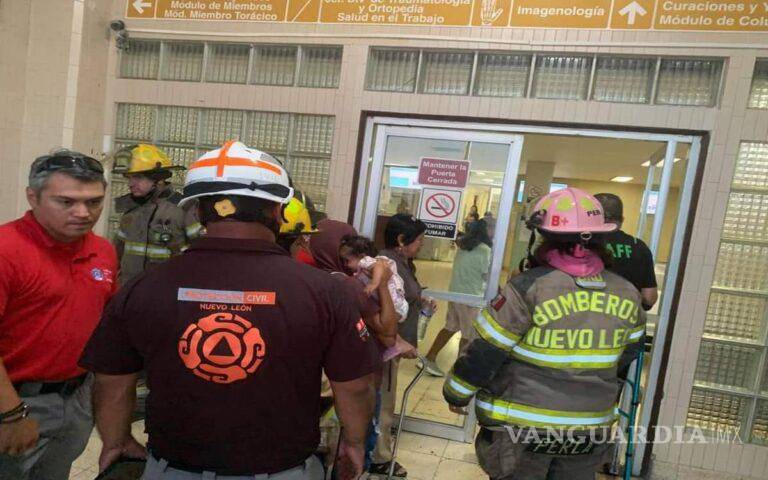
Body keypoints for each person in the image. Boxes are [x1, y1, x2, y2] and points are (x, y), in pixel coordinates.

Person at [79, 141, 376, 480]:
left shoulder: (143, 287)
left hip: (172, 468)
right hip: (283, 470)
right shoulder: (325, 292)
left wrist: (115, 442)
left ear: (199, 211)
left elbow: (112, 380)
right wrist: (353, 443)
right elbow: (354, 386)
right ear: (277, 212)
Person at [443, 188, 645, 480]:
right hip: (587, 432)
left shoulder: (528, 288)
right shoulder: (628, 293)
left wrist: (456, 393)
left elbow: (485, 352)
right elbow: (629, 351)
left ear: (544, 237)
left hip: (523, 433)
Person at [0, 150, 117, 479]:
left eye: (94, 202)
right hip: (16, 401)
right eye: (66, 202)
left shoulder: (102, 251)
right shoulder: (7, 250)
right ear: (32, 197)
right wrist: (10, 415)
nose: (83, 213)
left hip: (76, 399)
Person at [369, 214, 436, 477]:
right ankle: (379, 458)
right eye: (419, 240)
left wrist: (423, 301)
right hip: (384, 348)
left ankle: (379, 449)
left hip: (393, 346)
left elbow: (404, 297)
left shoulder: (403, 263)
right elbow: (374, 309)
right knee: (382, 404)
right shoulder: (384, 265)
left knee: (386, 401)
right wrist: (396, 341)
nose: (421, 245)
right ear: (401, 240)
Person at [111, 144, 201, 284]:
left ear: (158, 179)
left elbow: (201, 254)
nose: (130, 184)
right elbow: (116, 254)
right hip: (129, 293)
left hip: (166, 294)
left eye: (138, 177)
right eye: (129, 178)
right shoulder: (131, 211)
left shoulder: (183, 208)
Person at [422, 219, 493, 377]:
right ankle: (459, 371)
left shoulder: (463, 247)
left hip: (456, 294)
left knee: (450, 327)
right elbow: (488, 276)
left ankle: (428, 358)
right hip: (472, 298)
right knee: (468, 336)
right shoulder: (485, 251)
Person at [594, 193, 658, 311]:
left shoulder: (582, 243)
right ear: (622, 220)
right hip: (627, 319)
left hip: (588, 319)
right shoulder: (639, 246)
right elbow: (649, 298)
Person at [339, 235, 409, 322]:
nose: (345, 265)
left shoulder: (365, 261)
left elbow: (379, 266)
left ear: (361, 256)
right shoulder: (361, 270)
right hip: (395, 305)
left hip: (396, 305)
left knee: (388, 325)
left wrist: (374, 283)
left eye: (347, 260)